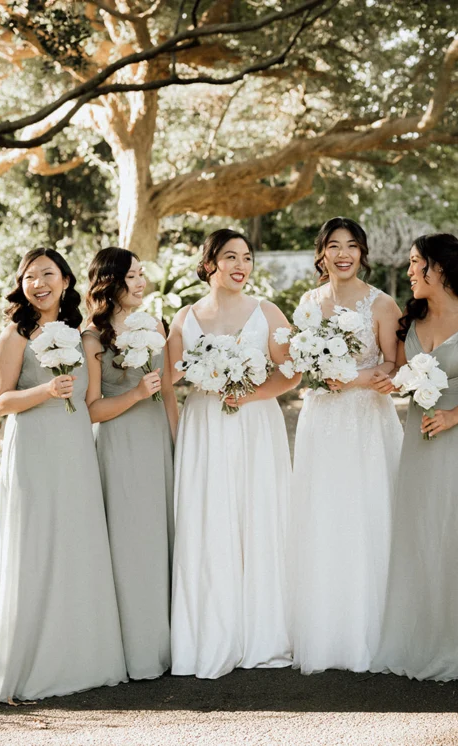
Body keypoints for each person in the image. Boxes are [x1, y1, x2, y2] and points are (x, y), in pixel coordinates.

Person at [0, 248, 126, 705]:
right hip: (33, 453)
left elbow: (92, 401)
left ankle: (78, 659)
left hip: (75, 452)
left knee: (74, 543)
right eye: (30, 277)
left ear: (66, 281)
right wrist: (46, 390)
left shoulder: (80, 334)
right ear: (22, 285)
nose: (39, 283)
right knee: (34, 545)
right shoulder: (15, 336)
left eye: (47, 274)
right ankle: (27, 663)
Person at [166, 229, 299, 678]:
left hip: (255, 422)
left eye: (246, 257)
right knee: (209, 517)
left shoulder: (267, 312)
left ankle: (262, 631)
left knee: (256, 514)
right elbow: (170, 379)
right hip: (204, 425)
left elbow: (291, 373)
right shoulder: (185, 317)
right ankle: (210, 631)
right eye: (231, 257)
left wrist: (249, 394)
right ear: (210, 265)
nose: (241, 265)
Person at [372, 233, 458, 681]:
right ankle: (423, 632)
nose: (410, 271)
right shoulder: (411, 320)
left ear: (439, 268)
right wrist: (392, 381)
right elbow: (399, 371)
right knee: (422, 533)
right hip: (419, 442)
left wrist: (454, 416)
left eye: (416, 263)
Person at [287, 217, 403, 674]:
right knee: (324, 514)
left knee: (366, 511)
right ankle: (325, 629)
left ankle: (372, 630)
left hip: (366, 421)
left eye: (352, 246)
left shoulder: (382, 303)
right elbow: (300, 365)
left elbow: (393, 364)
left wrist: (353, 378)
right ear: (321, 254)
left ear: (362, 253)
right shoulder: (307, 303)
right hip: (321, 420)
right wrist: (321, 374)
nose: (343, 254)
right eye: (334, 246)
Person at [81, 247, 177, 681]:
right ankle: (135, 650)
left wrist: (177, 443)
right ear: (110, 281)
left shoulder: (155, 324)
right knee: (131, 542)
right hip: (120, 444)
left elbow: (169, 392)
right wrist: (136, 394)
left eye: (142, 275)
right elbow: (92, 409)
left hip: (156, 439)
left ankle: (169, 644)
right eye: (132, 276)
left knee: (162, 537)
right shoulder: (91, 337)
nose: (141, 283)